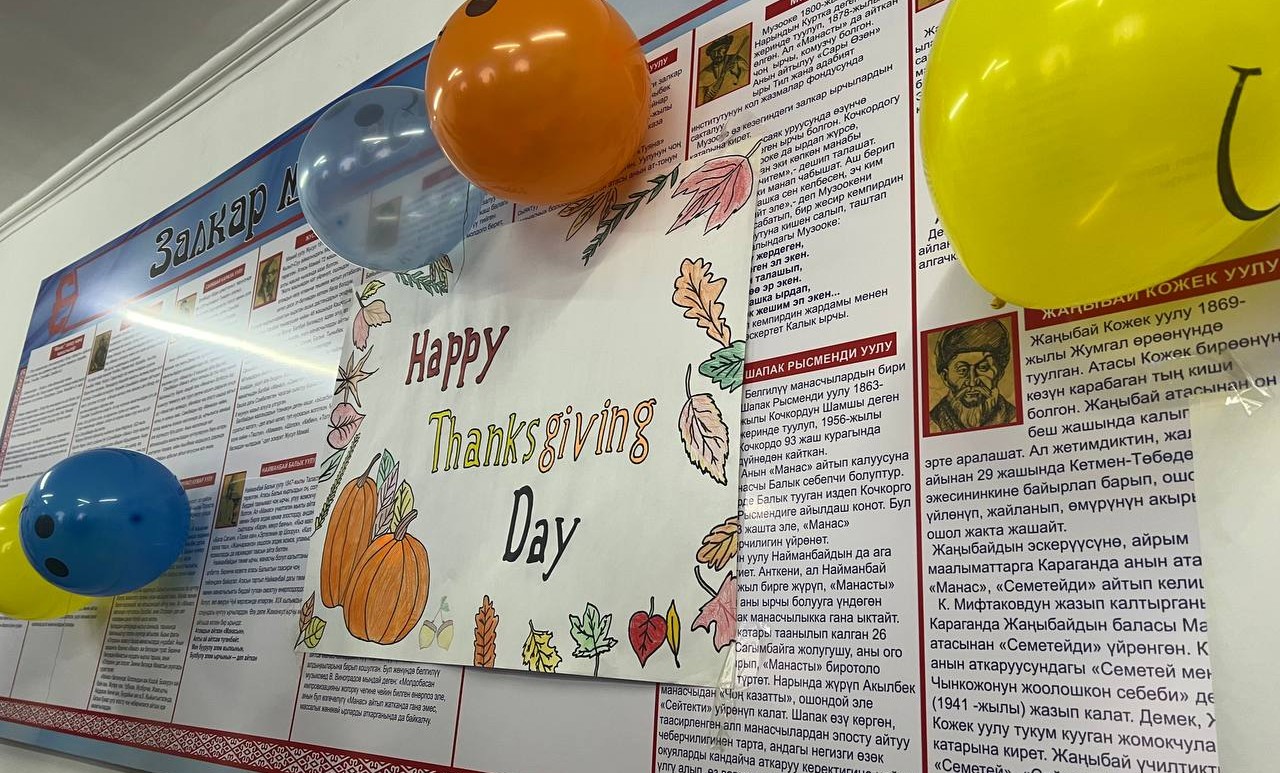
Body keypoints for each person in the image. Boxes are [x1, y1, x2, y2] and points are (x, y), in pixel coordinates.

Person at [930, 319, 1018, 433]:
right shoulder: (933, 423)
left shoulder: (1013, 416)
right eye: (962, 370)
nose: (972, 382)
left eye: (983, 368)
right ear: (945, 377)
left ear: (999, 373)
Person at [699, 34, 748, 104]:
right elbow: (703, 100)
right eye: (713, 52)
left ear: (726, 49)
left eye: (720, 50)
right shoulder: (703, 75)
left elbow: (748, 79)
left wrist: (736, 73)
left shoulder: (737, 61)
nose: (717, 55)